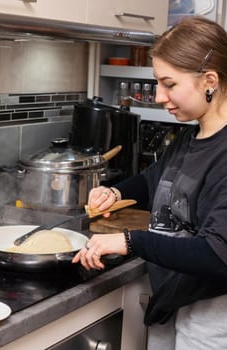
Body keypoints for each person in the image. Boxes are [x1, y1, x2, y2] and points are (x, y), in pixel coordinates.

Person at [72, 16, 227, 350]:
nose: (158, 96)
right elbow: (154, 181)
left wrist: (130, 241)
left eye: (169, 84)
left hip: (213, 318)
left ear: (209, 81)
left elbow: (217, 255)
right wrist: (117, 192)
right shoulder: (192, 135)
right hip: (171, 300)